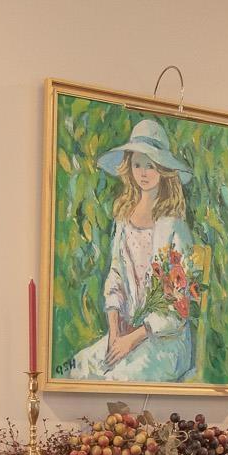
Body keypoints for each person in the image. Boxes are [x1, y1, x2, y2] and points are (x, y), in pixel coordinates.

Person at [62, 118, 197, 383]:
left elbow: (179, 306)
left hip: (164, 343)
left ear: (163, 170)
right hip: (125, 332)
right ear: (129, 167)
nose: (143, 173)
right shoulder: (124, 219)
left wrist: (133, 339)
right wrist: (114, 331)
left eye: (151, 165)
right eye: (138, 164)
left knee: (115, 379)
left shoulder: (174, 227)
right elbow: (115, 276)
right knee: (74, 368)